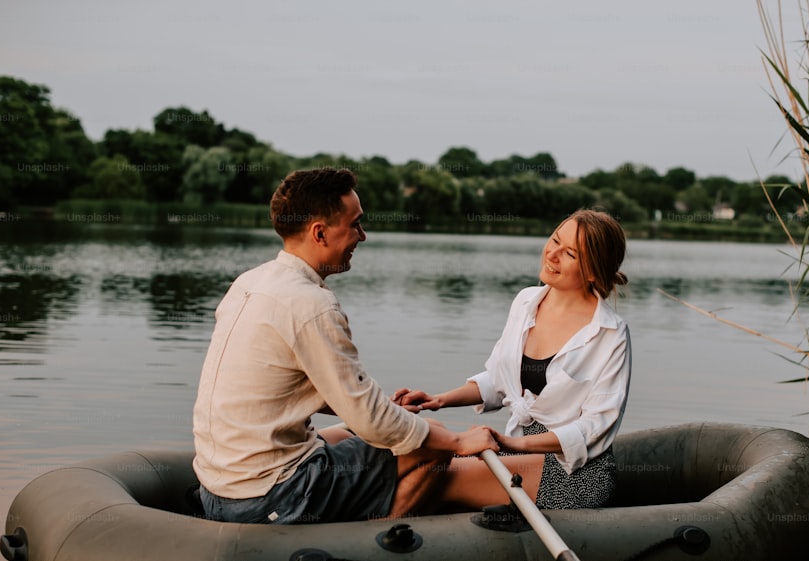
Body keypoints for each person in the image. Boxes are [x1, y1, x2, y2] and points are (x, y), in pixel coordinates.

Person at [193, 167, 497, 525]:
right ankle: (374, 546)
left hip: (216, 491)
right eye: (355, 224)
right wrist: (460, 442)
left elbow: (289, 385)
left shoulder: (250, 283)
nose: (362, 236)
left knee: (365, 431)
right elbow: (372, 424)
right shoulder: (311, 304)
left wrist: (384, 409)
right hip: (267, 496)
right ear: (319, 233)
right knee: (433, 445)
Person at [393, 209, 630, 510]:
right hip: (514, 454)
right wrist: (438, 400)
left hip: (571, 471)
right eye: (555, 240)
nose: (552, 254)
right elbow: (499, 379)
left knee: (433, 474)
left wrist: (512, 444)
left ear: (594, 271)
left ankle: (376, 541)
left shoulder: (610, 334)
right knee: (422, 446)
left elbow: (597, 424)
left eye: (569, 253)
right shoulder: (526, 301)